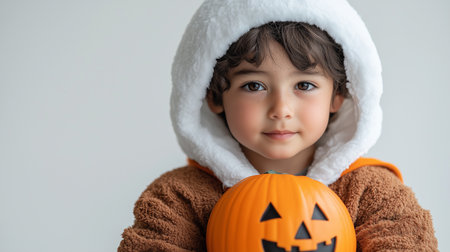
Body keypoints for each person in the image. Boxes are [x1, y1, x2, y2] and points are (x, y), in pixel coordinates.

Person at [118, 0, 438, 251]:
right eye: (254, 86)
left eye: (305, 85)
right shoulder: (179, 197)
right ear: (214, 96)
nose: (281, 109)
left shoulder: (371, 192)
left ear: (338, 95)